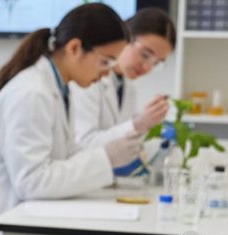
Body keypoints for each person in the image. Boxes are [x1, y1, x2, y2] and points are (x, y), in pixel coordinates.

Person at [0, 3, 132, 235]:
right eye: (105, 61)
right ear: (74, 48)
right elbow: (31, 181)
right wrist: (105, 160)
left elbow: (63, 158)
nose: (107, 74)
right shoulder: (31, 93)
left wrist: (105, 160)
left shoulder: (59, 88)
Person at [71, 7, 177, 150]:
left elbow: (123, 138)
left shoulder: (128, 87)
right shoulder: (89, 79)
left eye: (156, 63)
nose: (147, 67)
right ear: (126, 37)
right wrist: (138, 124)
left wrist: (148, 125)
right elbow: (83, 143)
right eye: (145, 55)